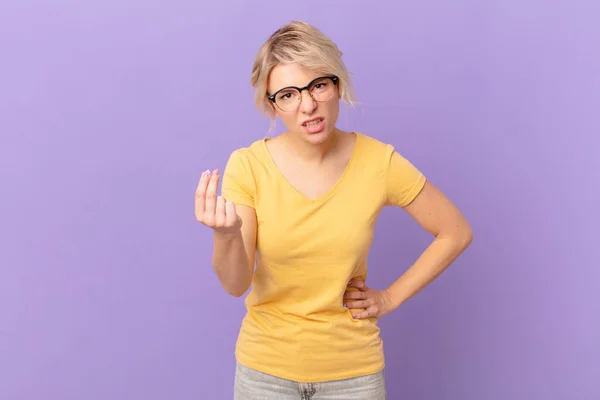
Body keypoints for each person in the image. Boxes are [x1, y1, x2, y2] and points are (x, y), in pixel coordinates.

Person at [195, 20, 473, 400]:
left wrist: (388, 298)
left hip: (353, 375)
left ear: (337, 84)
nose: (308, 105)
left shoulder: (378, 161)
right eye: (289, 94)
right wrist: (225, 236)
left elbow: (455, 232)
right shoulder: (248, 166)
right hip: (265, 374)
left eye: (318, 85)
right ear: (272, 104)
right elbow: (235, 285)